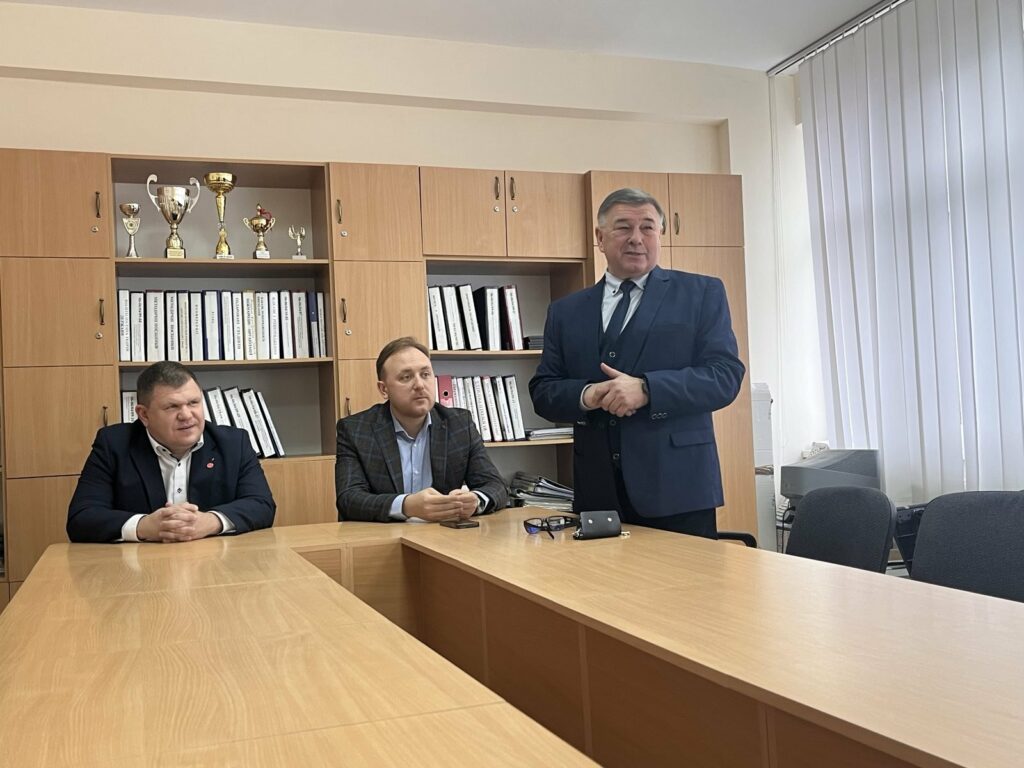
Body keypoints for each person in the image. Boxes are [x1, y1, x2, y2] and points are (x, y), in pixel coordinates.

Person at [529, 188, 745, 538]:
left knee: (683, 577)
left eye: (647, 227)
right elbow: (543, 391)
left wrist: (647, 389)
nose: (636, 238)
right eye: (623, 227)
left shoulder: (701, 294)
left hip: (679, 490)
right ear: (600, 238)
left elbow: (725, 376)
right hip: (598, 492)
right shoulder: (566, 311)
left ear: (661, 234)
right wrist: (588, 395)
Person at [67, 361, 276, 543]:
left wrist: (209, 522)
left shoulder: (233, 443)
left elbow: (262, 505)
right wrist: (144, 526)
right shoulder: (114, 444)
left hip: (213, 561)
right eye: (172, 407)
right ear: (144, 414)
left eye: (193, 403)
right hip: (140, 566)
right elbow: (81, 518)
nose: (186, 415)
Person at [336, 337, 508, 522]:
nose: (419, 385)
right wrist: (406, 506)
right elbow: (349, 498)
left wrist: (476, 500)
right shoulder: (356, 430)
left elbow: (496, 486)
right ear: (384, 389)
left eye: (425, 374)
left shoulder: (459, 424)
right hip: (383, 535)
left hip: (441, 534)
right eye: (406, 377)